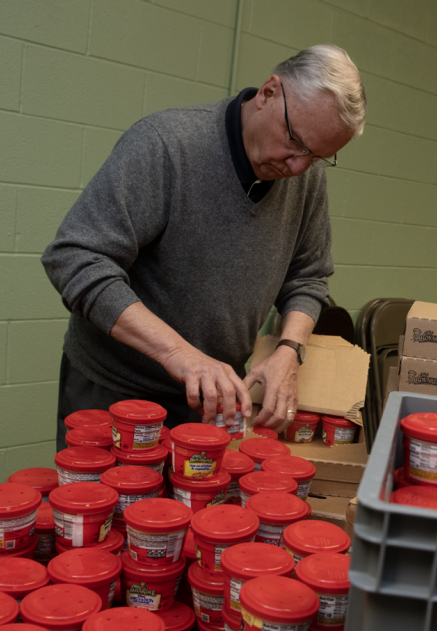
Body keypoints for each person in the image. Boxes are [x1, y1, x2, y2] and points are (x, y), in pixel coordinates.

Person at [42, 45, 365, 450]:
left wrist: (289, 350)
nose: (298, 166)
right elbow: (75, 257)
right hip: (115, 392)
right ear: (268, 92)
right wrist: (180, 353)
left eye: (317, 157)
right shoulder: (166, 145)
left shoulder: (305, 180)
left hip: (210, 399)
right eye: (295, 141)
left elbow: (308, 276)